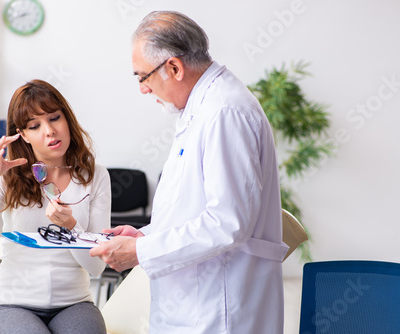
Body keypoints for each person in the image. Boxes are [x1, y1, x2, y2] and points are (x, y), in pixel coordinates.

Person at [90, 11, 289, 333]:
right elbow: (191, 208)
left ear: (173, 68)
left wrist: (141, 251)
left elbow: (227, 223)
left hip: (220, 307)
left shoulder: (224, 112)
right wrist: (146, 235)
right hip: (196, 299)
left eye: (142, 77)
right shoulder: (203, 109)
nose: (143, 89)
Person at [0, 79, 110, 334]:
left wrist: (71, 227)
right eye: (35, 126)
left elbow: (96, 268)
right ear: (23, 135)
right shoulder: (9, 177)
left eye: (54, 118)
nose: (49, 131)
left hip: (74, 304)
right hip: (11, 305)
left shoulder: (96, 176)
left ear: (67, 118)